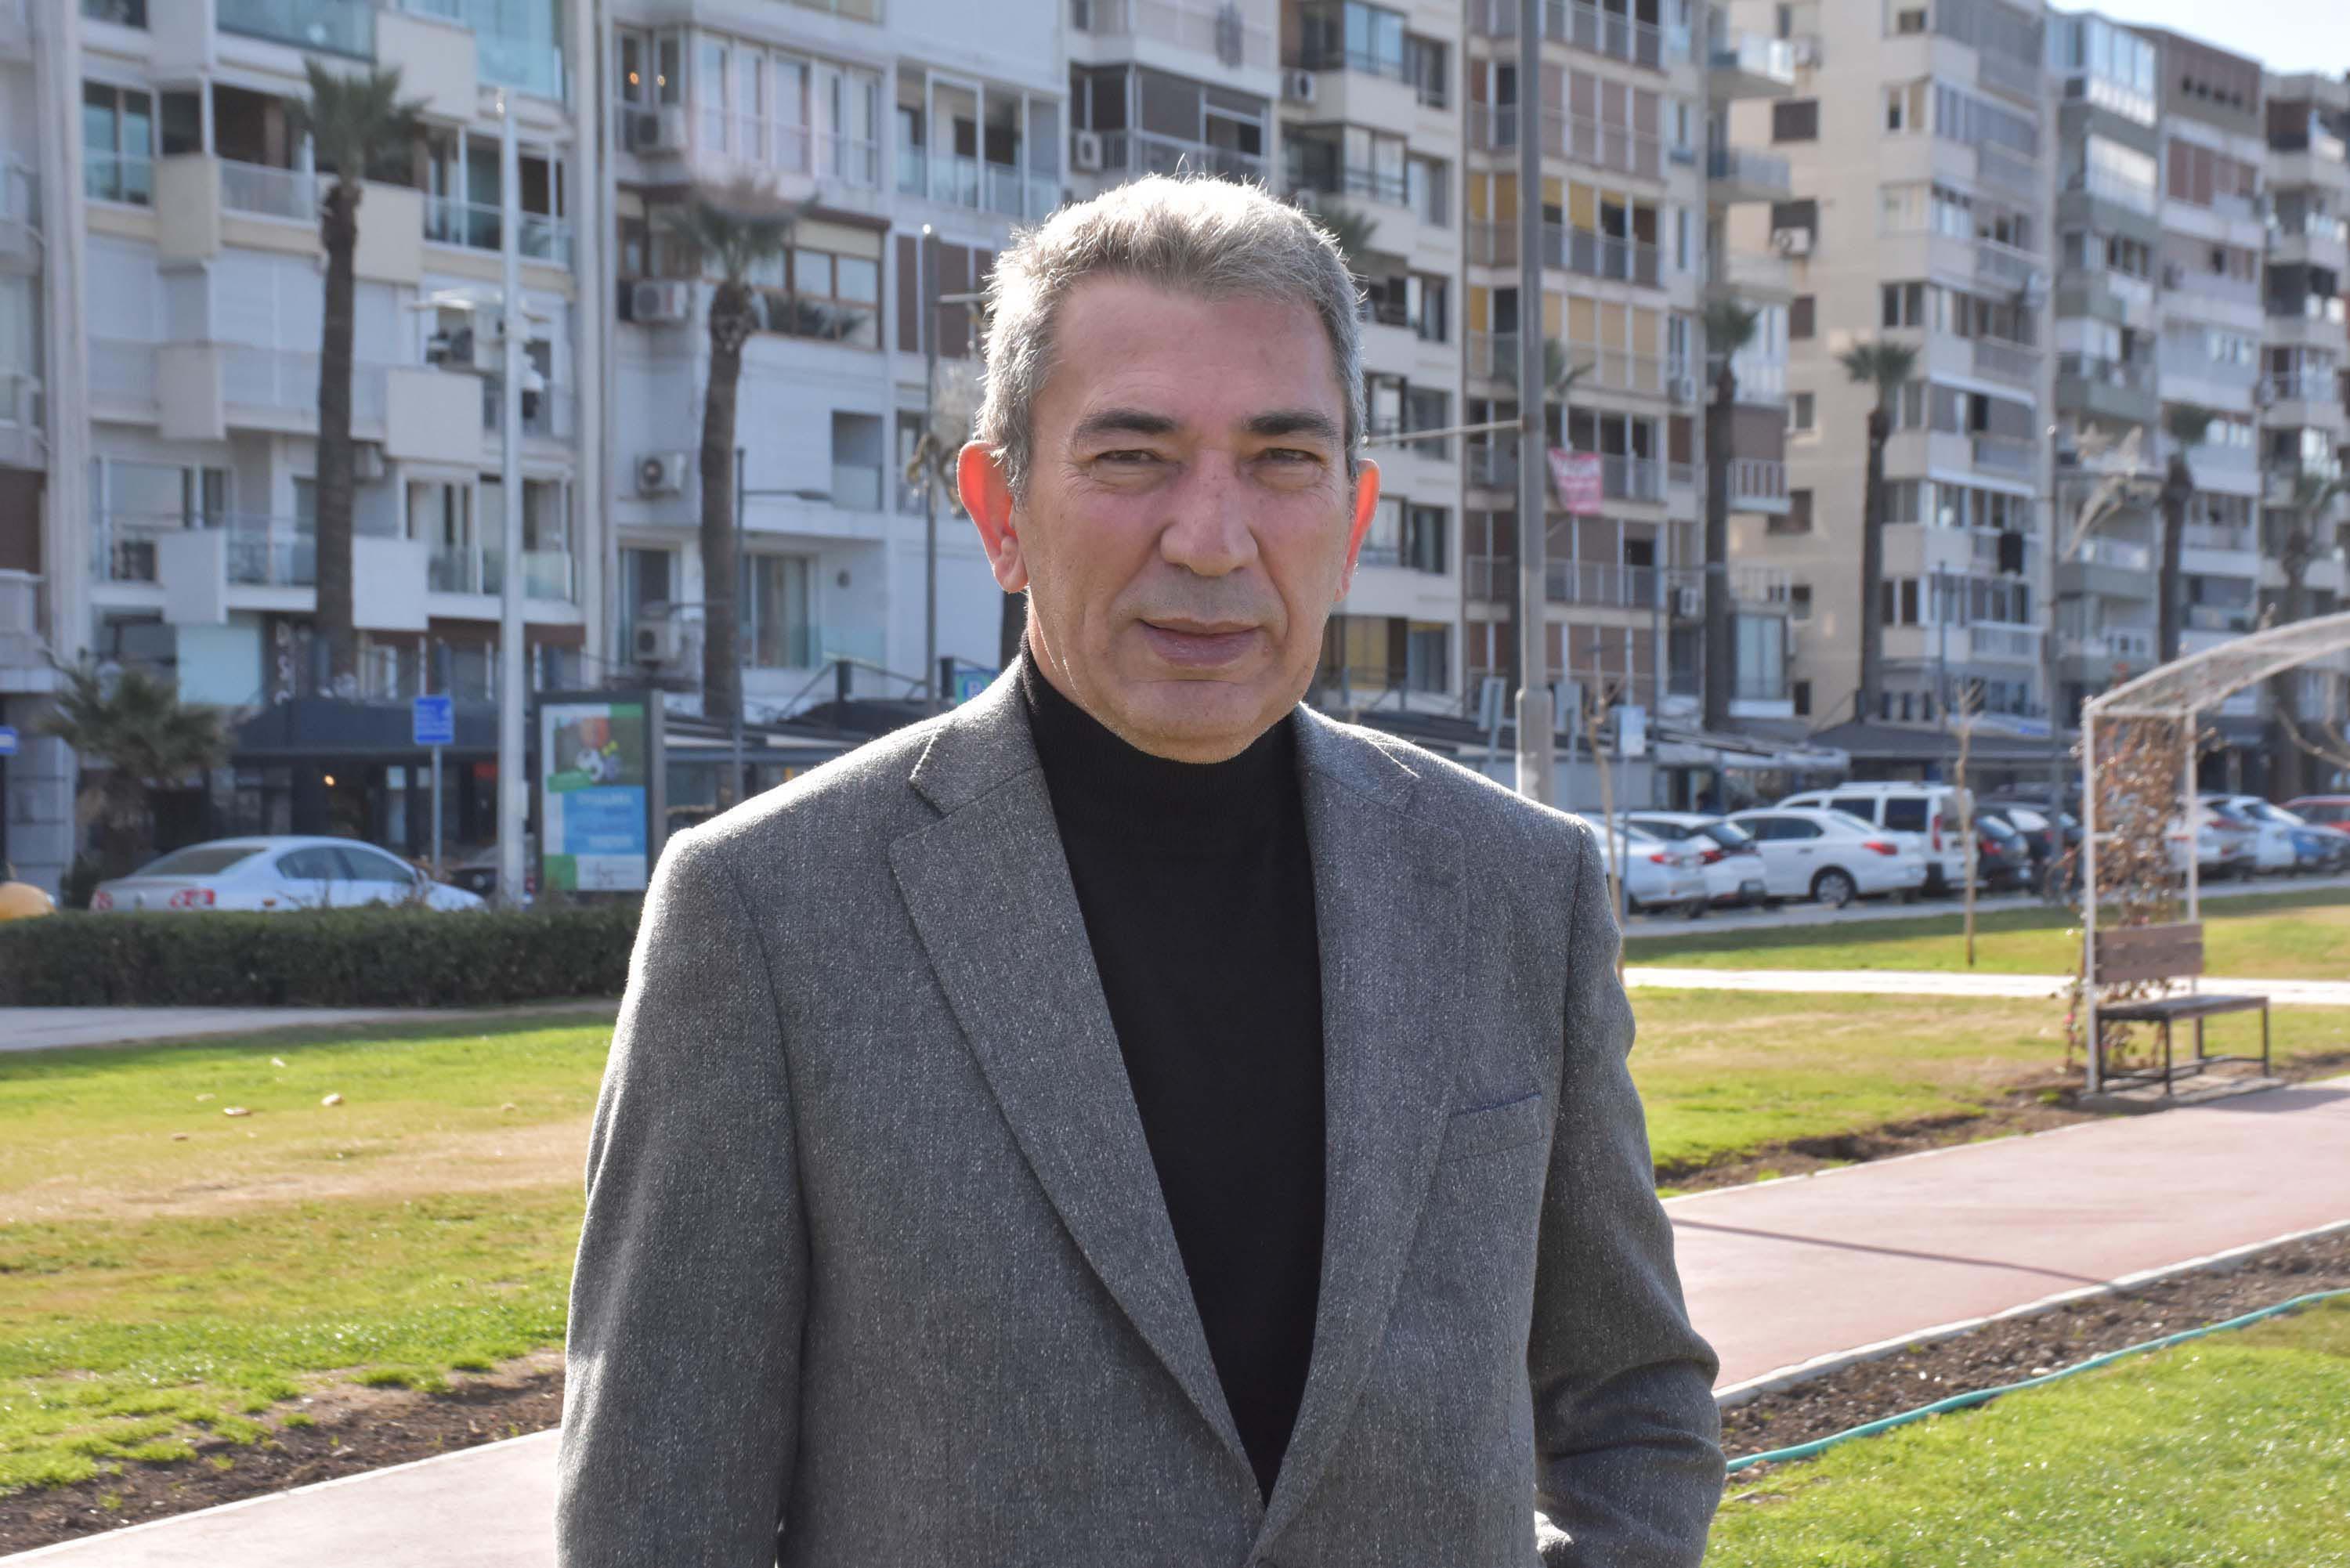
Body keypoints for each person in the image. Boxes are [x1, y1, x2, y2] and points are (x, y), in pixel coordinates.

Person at [556, 175, 1722, 1568]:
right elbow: (654, 1521)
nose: (1211, 538)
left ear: (1353, 520)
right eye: (1131, 456)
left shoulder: (1519, 887)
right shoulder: (765, 913)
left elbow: (1637, 1401)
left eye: (1281, 459)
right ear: (999, 509)